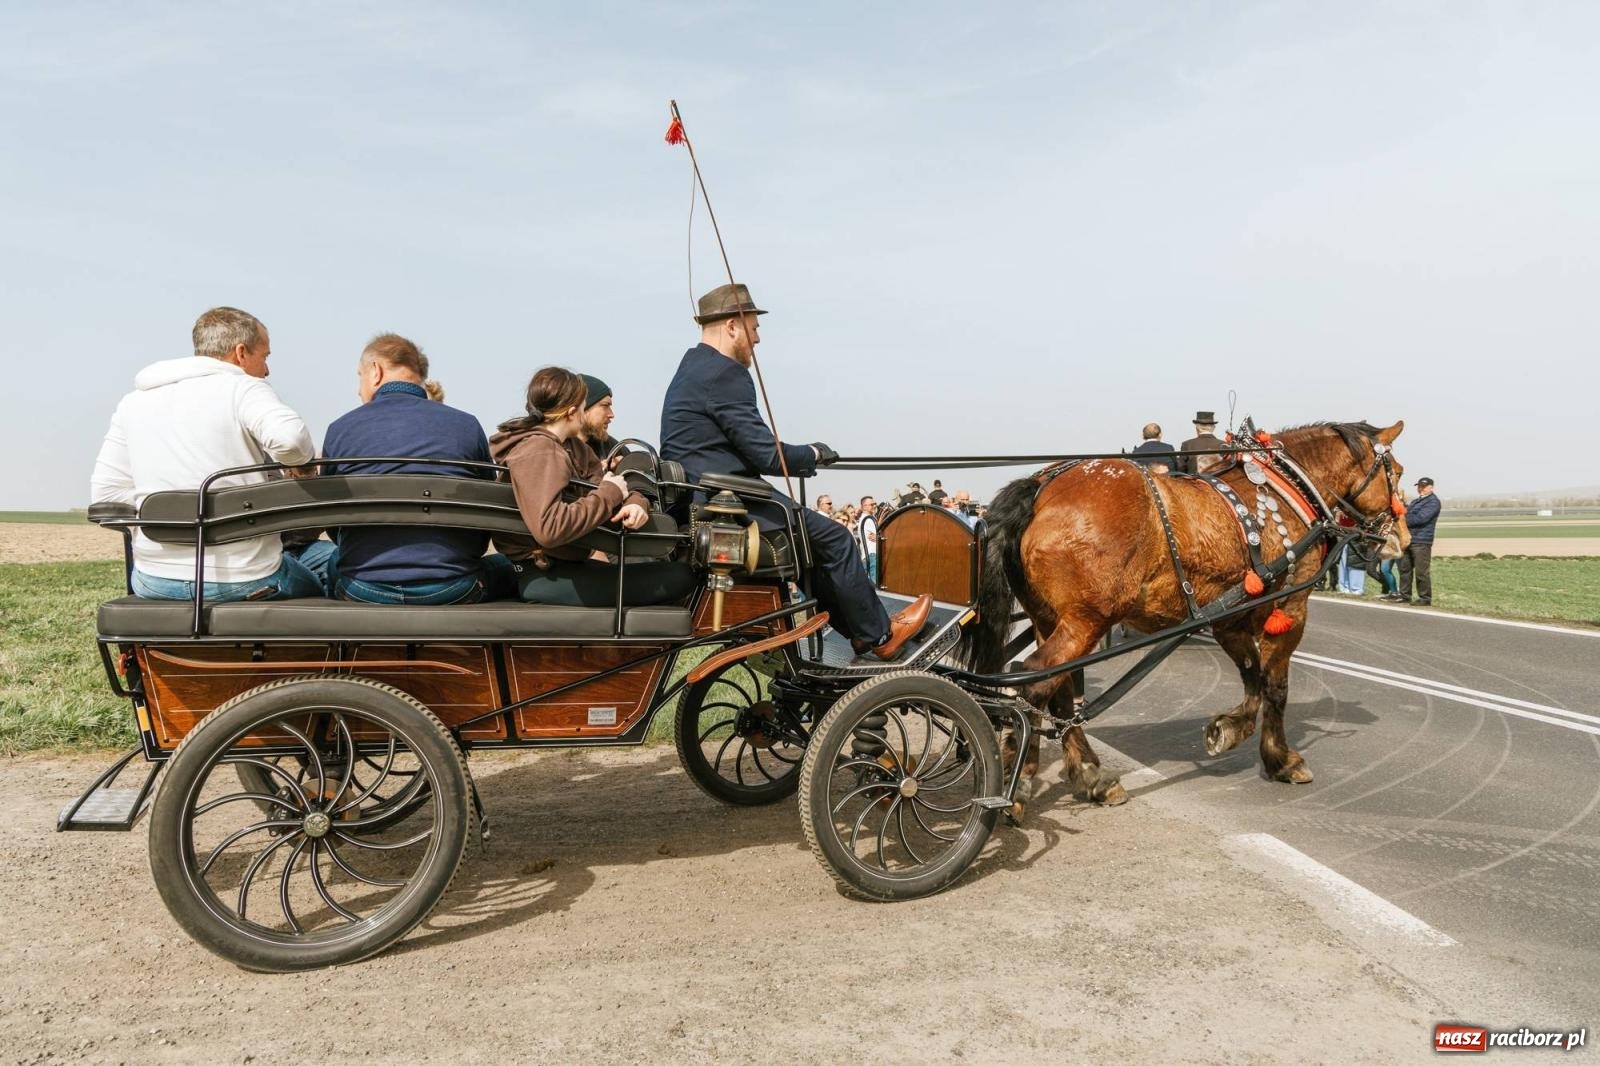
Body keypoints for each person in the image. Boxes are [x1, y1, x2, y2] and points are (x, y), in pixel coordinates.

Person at [660, 283, 930, 659]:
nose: (758, 338)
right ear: (732, 326)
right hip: (727, 503)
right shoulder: (723, 373)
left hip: (703, 500)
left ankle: (861, 633)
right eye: (754, 327)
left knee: (811, 549)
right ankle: (882, 636)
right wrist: (814, 453)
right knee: (837, 539)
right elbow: (767, 455)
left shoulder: (692, 368)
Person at [89, 307, 332, 601]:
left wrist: (171, 510)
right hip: (246, 578)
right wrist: (301, 466)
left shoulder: (133, 402)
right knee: (326, 577)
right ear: (240, 353)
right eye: (265, 356)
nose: (266, 370)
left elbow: (106, 494)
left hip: (154, 579)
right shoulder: (244, 388)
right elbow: (291, 441)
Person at [321, 334, 513, 604]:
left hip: (362, 589)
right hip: (453, 587)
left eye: (359, 376)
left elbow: (332, 522)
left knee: (334, 560)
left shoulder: (340, 429)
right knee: (508, 566)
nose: (358, 389)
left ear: (375, 371)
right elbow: (485, 514)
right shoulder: (467, 426)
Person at [496, 367, 695, 606]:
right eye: (583, 406)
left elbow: (613, 486)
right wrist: (610, 493)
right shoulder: (540, 451)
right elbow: (550, 528)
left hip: (569, 564)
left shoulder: (574, 448)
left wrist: (635, 503)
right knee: (681, 577)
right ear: (572, 412)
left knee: (677, 573)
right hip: (545, 573)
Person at [1397, 477, 1440, 606]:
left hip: (1422, 541)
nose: (1420, 489)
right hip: (1408, 539)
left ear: (1431, 487)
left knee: (1421, 572)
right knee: (1405, 569)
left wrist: (1402, 518)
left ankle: (1425, 598)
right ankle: (1405, 595)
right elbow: (1407, 513)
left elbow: (1420, 519)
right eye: (1419, 486)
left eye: (1423, 486)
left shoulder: (1433, 502)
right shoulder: (1416, 501)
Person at [578, 373, 623, 465]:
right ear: (583, 408)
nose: (611, 414)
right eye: (605, 405)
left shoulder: (615, 450)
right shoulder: (553, 449)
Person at [856, 495, 879, 584]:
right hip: (872, 554)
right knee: (874, 584)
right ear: (864, 506)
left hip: (869, 555)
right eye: (871, 504)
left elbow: (877, 536)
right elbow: (881, 535)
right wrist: (879, 536)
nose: (874, 506)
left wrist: (877, 536)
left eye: (874, 504)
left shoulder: (869, 518)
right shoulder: (868, 520)